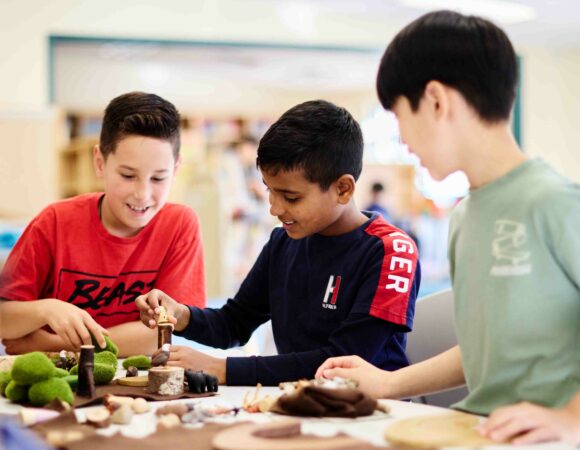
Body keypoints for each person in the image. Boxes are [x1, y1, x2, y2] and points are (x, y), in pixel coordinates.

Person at [316, 10, 580, 445]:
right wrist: (385, 382)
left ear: (436, 101)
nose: (402, 140)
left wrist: (570, 418)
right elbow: (484, 354)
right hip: (477, 427)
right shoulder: (465, 216)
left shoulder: (553, 201)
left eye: (400, 116)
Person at [136, 99, 421, 386]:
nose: (274, 208)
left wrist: (223, 369)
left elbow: (346, 361)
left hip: (374, 412)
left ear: (343, 189)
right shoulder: (284, 241)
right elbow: (234, 323)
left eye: (291, 197)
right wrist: (181, 315)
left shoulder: (390, 251)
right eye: (269, 191)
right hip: (299, 403)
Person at [0, 92, 205, 357]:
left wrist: (51, 343)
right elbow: (5, 321)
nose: (142, 194)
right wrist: (47, 309)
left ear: (176, 170)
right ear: (100, 162)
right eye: (128, 175)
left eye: (158, 178)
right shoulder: (54, 221)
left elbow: (164, 333)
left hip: (139, 386)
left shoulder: (180, 224)